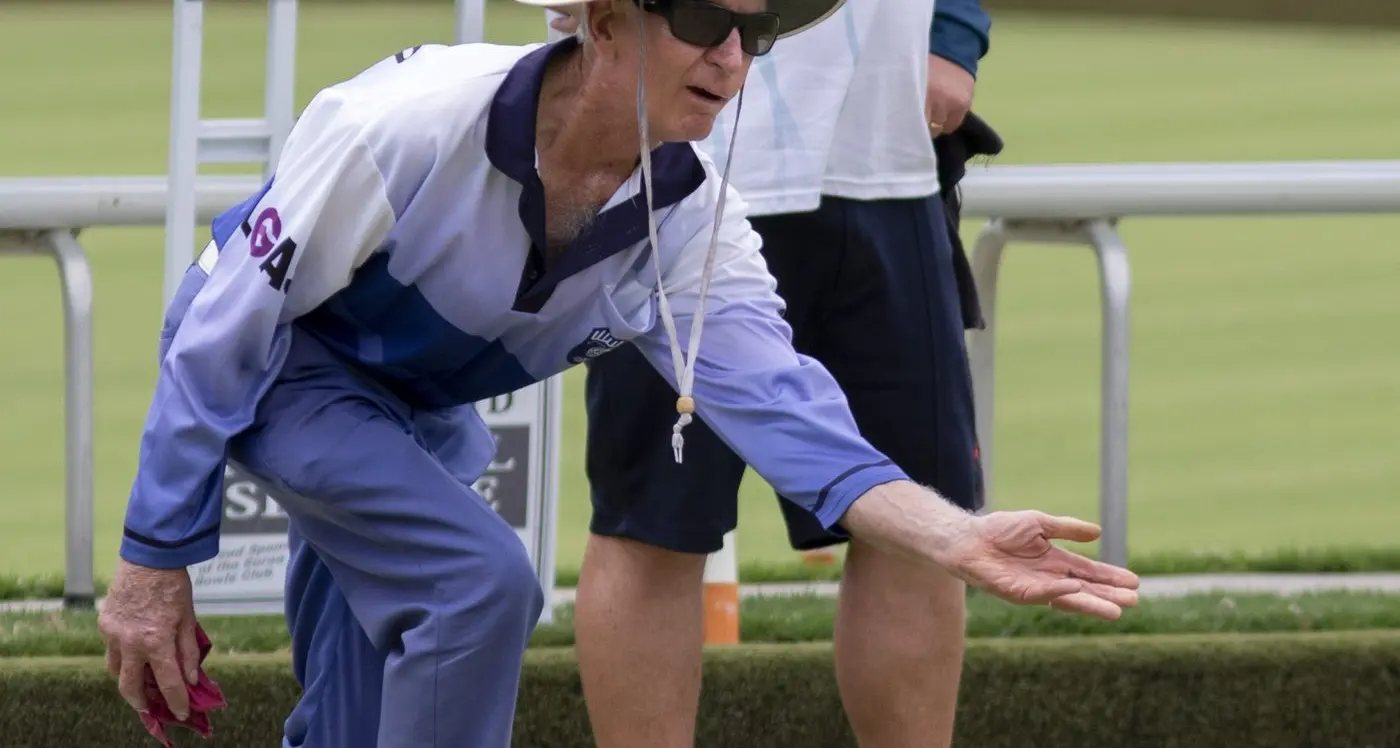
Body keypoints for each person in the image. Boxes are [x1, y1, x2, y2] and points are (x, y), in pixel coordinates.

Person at [97, 0, 1139, 746]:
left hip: (415, 413)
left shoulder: (695, 223)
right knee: (475, 583)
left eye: (756, 31)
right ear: (598, 21)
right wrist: (154, 560)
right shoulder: (405, 121)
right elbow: (220, 321)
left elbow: (790, 419)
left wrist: (955, 533)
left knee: (354, 711)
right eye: (700, 19)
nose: (733, 57)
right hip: (288, 369)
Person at [565, 0, 1009, 745]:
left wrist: (954, 31)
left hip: (888, 155)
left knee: (924, 519)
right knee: (651, 523)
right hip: (681, 154)